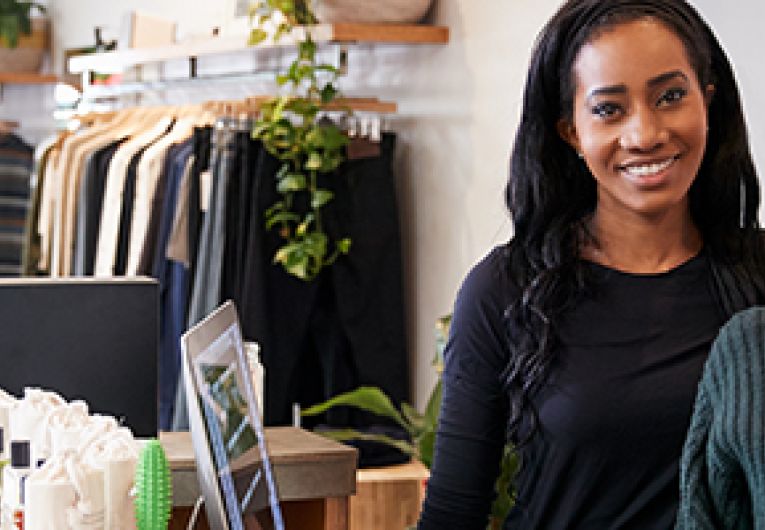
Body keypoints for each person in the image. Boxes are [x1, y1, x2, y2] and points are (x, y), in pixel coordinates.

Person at [417, 0, 765, 529]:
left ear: (707, 102)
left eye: (670, 96)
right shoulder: (505, 289)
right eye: (609, 109)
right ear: (571, 132)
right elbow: (453, 514)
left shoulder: (758, 276)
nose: (645, 134)